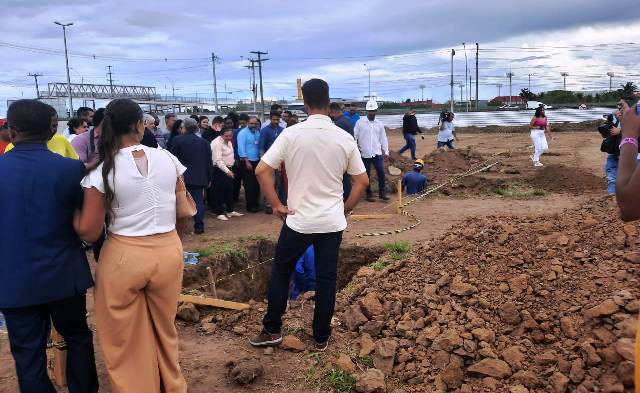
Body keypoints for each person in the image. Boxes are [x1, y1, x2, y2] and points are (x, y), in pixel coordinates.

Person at [73, 98, 187, 392]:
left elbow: (89, 231)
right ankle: (171, 386)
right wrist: (175, 241)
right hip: (168, 251)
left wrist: (70, 217)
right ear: (140, 125)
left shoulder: (101, 170)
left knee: (122, 337)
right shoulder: (167, 158)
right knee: (165, 329)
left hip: (125, 254)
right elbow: (183, 210)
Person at [249, 78, 368, 351]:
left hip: (298, 220)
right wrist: (345, 209)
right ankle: (321, 337)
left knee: (282, 271)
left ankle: (272, 330)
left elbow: (261, 170)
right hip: (331, 221)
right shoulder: (343, 137)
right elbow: (361, 182)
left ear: (305, 104)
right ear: (328, 102)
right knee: (327, 278)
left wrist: (277, 204)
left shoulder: (291, 134)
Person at [0, 99, 98, 393]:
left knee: (27, 352)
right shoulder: (71, 170)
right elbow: (85, 224)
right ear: (52, 130)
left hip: (12, 278)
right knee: (78, 337)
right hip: (63, 274)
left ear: (12, 130)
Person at [170, 117, 213, 234]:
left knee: (179, 202)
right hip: (199, 176)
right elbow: (209, 162)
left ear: (184, 127)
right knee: (198, 201)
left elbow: (172, 159)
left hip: (181, 176)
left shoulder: (177, 140)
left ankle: (180, 229)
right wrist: (209, 177)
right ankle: (199, 227)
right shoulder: (204, 143)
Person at [354, 100, 390, 202]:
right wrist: (355, 151)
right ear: (367, 111)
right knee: (366, 175)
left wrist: (386, 151)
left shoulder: (379, 124)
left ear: (376, 111)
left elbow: (383, 138)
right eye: (370, 111)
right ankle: (368, 194)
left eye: (373, 110)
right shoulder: (360, 123)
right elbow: (354, 137)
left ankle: (382, 193)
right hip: (364, 154)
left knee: (381, 172)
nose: (372, 113)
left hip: (376, 153)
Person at [5, 113, 79, 159]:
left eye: (54, 126)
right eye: (47, 126)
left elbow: (74, 162)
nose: (51, 130)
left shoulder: (61, 139)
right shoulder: (12, 147)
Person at [211, 128, 244, 221]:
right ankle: (219, 212)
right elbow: (218, 160)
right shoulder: (217, 143)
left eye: (230, 136)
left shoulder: (228, 141)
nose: (229, 138)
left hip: (229, 168)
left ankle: (230, 210)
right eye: (226, 136)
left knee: (229, 190)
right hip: (219, 170)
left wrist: (230, 169)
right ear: (221, 135)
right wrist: (227, 171)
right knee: (219, 191)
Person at [329, 102, 354, 200]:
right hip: (347, 153)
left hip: (340, 154)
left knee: (341, 178)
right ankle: (346, 196)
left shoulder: (339, 123)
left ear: (333, 112)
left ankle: (344, 198)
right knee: (345, 177)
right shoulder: (347, 120)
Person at [237, 116, 262, 213]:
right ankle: (250, 206)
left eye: (255, 123)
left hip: (257, 161)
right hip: (247, 162)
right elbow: (241, 148)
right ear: (247, 123)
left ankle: (256, 203)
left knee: (256, 184)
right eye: (251, 123)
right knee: (249, 185)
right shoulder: (242, 133)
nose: (253, 125)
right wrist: (246, 161)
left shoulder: (258, 132)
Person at [598, 110, 622, 195]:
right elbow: (605, 130)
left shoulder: (633, 117)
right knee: (611, 172)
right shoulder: (614, 117)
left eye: (621, 105)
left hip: (626, 152)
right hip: (613, 150)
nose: (619, 109)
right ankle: (612, 193)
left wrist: (620, 130)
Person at [232, 114, 250, 202]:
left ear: (247, 122)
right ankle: (235, 198)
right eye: (241, 123)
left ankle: (249, 199)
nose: (243, 125)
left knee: (248, 182)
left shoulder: (252, 131)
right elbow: (234, 146)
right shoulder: (236, 132)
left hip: (249, 159)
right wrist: (235, 158)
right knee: (237, 180)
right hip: (238, 160)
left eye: (244, 123)